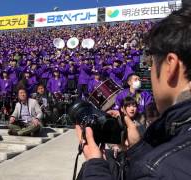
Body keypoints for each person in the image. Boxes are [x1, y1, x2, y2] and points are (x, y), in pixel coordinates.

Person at [77, 4, 191, 180]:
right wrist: (138, 147)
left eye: (151, 64)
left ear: (171, 66)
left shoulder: (157, 169)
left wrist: (94, 164)